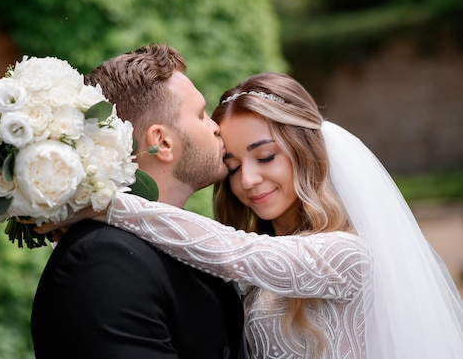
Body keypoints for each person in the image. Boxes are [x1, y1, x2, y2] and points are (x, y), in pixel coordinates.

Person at [54, 72, 463, 358]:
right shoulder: (251, 268)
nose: (248, 180)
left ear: (305, 153)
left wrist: (101, 199)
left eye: (265, 156)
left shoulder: (347, 255)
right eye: (232, 165)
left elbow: (235, 251)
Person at [30, 44, 247, 359]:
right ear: (161, 142)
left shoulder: (186, 236)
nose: (216, 127)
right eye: (201, 115)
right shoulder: (103, 260)